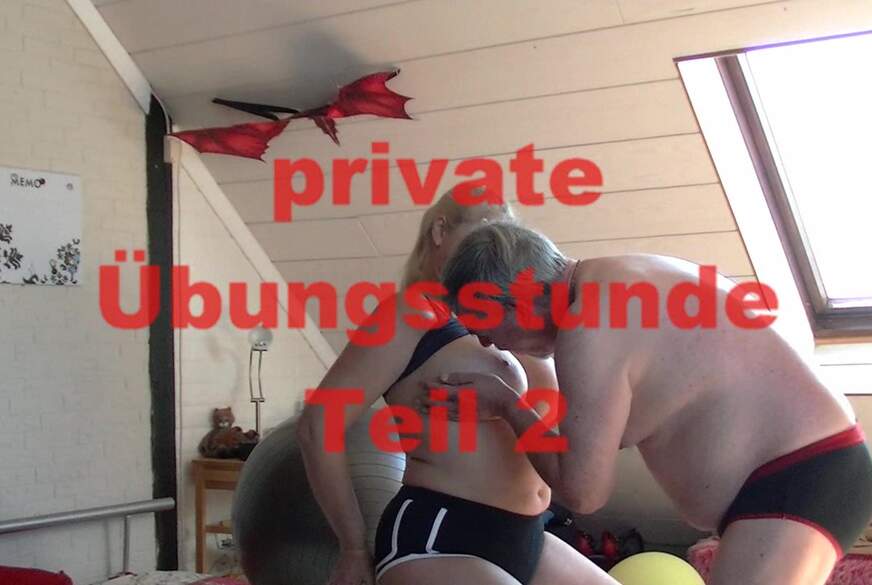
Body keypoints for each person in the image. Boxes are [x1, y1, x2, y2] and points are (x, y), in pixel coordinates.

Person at [429, 221, 872, 585]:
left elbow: (583, 492)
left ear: (521, 299)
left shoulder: (590, 328)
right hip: (809, 471)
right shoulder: (620, 277)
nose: (486, 341)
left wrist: (510, 406)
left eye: (484, 324)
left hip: (798, 475)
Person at [296, 192, 618, 585]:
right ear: (439, 231)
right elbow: (317, 426)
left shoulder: (527, 321)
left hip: (528, 536)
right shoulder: (410, 313)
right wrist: (352, 547)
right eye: (485, 230)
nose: (494, 244)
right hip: (440, 535)